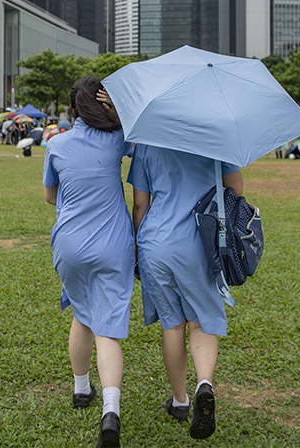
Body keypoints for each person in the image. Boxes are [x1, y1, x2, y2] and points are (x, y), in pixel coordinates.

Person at [127, 132, 243, 441]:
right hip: (199, 242)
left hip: (156, 242)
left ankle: (180, 401)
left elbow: (140, 204)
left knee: (172, 326)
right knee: (201, 323)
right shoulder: (217, 136)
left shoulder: (147, 141)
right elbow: (235, 192)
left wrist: (138, 248)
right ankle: (204, 383)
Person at [43, 77, 134, 448]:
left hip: (70, 244)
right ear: (102, 104)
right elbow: (139, 133)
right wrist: (117, 111)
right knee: (107, 327)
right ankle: (109, 411)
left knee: (82, 314)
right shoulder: (118, 140)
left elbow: (51, 197)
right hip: (114, 244)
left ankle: (82, 390)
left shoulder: (56, 144)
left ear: (72, 109)